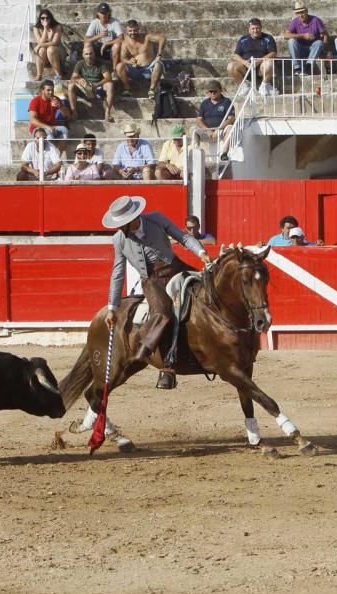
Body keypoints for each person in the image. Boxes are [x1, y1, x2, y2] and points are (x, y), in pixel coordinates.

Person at [102, 195, 212, 389]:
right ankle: (159, 361)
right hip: (152, 280)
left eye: (123, 224)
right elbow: (117, 273)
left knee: (209, 292)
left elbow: (183, 237)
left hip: (175, 269)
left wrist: (201, 252)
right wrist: (112, 307)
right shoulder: (119, 239)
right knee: (162, 313)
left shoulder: (156, 219)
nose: (120, 229)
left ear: (134, 219)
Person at [227, 18, 278, 97]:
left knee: (269, 63)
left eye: (257, 28)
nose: (255, 30)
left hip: (261, 66)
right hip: (246, 66)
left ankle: (264, 85)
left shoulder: (268, 38)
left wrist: (259, 61)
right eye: (253, 28)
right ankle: (244, 86)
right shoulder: (243, 39)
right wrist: (245, 62)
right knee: (231, 66)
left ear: (261, 28)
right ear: (249, 29)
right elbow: (235, 55)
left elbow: (273, 53)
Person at [115, 19, 165, 99]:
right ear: (127, 31)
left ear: (138, 29)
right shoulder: (125, 43)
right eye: (130, 31)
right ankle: (127, 89)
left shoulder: (147, 37)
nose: (132, 33)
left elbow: (162, 38)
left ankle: (152, 89)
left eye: (135, 30)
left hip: (149, 69)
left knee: (159, 64)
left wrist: (159, 54)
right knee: (119, 66)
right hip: (134, 70)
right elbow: (122, 58)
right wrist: (129, 61)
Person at [69, 43, 116, 121]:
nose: (89, 56)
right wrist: (79, 79)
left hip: (98, 86)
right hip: (85, 88)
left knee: (110, 85)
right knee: (71, 86)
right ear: (83, 55)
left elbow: (108, 78)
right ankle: (74, 112)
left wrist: (96, 84)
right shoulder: (80, 63)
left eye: (90, 54)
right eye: (86, 54)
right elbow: (72, 78)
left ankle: (107, 113)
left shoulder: (101, 64)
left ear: (94, 54)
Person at [283, 1, 328, 76]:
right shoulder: (295, 21)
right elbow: (285, 35)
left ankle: (308, 66)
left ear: (306, 11)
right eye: (298, 13)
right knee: (291, 41)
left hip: (313, 49)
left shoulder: (315, 20)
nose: (301, 15)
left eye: (302, 12)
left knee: (319, 43)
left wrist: (324, 47)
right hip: (300, 48)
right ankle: (297, 68)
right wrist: (303, 36)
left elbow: (325, 35)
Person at [195, 80, 235, 159]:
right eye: (210, 91)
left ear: (220, 90)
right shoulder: (204, 103)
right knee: (193, 130)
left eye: (215, 91)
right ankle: (196, 154)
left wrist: (219, 128)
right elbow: (198, 120)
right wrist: (207, 130)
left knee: (230, 128)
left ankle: (224, 153)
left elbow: (231, 119)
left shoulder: (226, 102)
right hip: (208, 132)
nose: (213, 93)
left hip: (221, 132)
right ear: (208, 92)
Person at [84, 2, 122, 68]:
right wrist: (98, 36)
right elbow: (86, 40)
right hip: (97, 47)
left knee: (117, 45)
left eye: (105, 13)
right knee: (87, 45)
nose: (103, 15)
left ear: (109, 13)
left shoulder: (115, 22)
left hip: (110, 47)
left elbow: (121, 38)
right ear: (98, 13)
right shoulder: (94, 23)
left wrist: (107, 44)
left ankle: (114, 69)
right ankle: (90, 68)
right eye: (101, 13)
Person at [31, 9, 66, 81]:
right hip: (44, 55)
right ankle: (39, 75)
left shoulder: (57, 26)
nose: (45, 19)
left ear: (50, 18)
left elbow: (55, 42)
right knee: (41, 50)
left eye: (47, 18)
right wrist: (45, 29)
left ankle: (59, 75)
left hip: (57, 52)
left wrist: (40, 45)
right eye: (42, 18)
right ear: (39, 19)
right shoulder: (36, 28)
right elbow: (40, 42)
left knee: (50, 49)